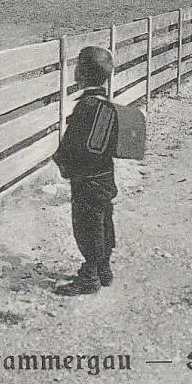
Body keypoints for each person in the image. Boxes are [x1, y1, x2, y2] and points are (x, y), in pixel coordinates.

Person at [53, 46, 118, 296]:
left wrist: (63, 163)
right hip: (105, 178)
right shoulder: (107, 105)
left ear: (81, 73)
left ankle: (90, 276)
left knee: (87, 227)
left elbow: (72, 145)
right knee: (103, 221)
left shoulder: (85, 107)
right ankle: (104, 269)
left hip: (86, 181)